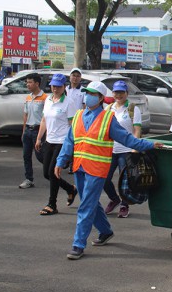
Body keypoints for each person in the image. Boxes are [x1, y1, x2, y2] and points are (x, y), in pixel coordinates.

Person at [55, 81, 162, 260]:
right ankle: (105, 231)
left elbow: (128, 139)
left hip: (97, 170)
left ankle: (78, 244)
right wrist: (60, 160)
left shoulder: (108, 118)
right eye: (86, 92)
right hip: (80, 167)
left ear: (100, 98)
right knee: (90, 203)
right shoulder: (79, 115)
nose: (87, 96)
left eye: (91, 93)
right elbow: (69, 141)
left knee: (86, 206)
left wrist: (150, 144)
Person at [34, 73, 77, 215]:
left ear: (64, 86)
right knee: (47, 173)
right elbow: (44, 120)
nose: (55, 88)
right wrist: (39, 138)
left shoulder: (68, 102)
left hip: (62, 142)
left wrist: (72, 145)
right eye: (53, 85)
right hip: (49, 140)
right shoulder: (48, 100)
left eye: (58, 86)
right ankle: (70, 189)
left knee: (53, 173)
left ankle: (52, 204)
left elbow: (72, 125)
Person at [102, 81, 143, 219]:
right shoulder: (108, 109)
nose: (118, 95)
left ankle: (125, 204)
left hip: (126, 150)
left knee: (124, 181)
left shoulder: (132, 109)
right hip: (110, 150)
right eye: (116, 92)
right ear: (112, 93)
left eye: (121, 92)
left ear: (126, 93)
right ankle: (114, 199)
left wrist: (134, 148)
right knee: (104, 179)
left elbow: (137, 130)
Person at [19, 73, 48, 189]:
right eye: (27, 82)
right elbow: (25, 115)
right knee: (26, 156)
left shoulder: (45, 98)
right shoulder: (28, 97)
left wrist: (41, 135)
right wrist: (23, 131)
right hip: (28, 130)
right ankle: (29, 179)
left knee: (41, 156)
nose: (28, 84)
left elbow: (46, 117)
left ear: (37, 83)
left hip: (38, 131)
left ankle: (53, 170)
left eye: (30, 82)